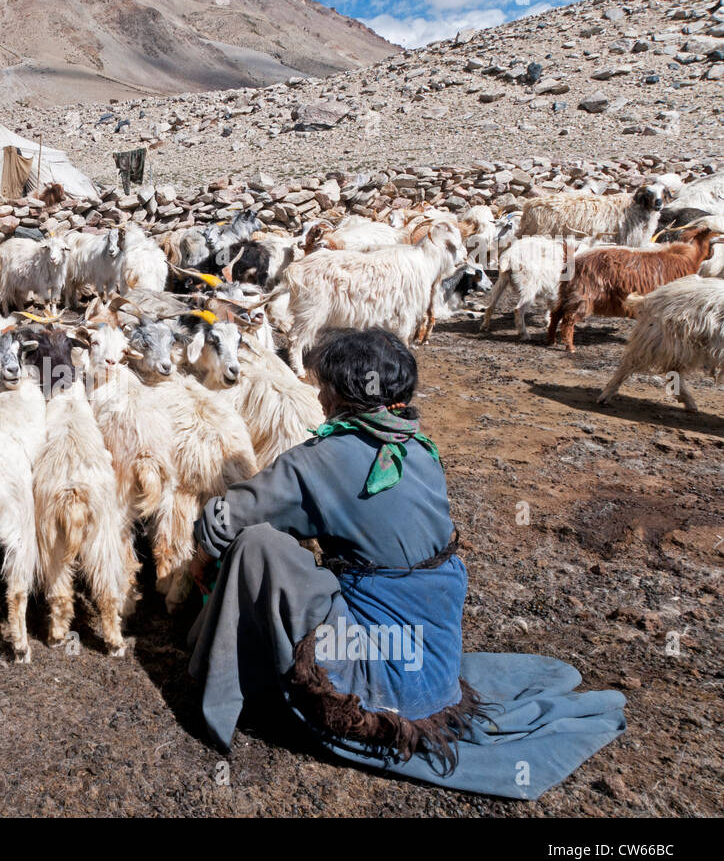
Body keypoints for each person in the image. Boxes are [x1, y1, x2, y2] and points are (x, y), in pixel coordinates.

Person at [187, 328, 626, 798]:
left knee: (257, 546)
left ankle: (220, 688)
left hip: (380, 682)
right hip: (433, 666)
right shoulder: (418, 447)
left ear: (337, 392)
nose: (317, 395)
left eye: (321, 386)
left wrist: (201, 554)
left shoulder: (318, 461)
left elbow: (225, 520)